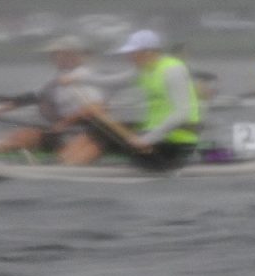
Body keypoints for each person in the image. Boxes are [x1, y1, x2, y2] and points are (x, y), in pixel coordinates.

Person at [58, 29, 201, 171]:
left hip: (175, 145)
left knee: (105, 133)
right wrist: (77, 78)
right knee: (102, 127)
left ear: (148, 52)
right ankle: (68, 164)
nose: (129, 57)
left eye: (133, 53)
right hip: (157, 138)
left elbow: (182, 113)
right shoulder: (144, 70)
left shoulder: (172, 70)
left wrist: (147, 139)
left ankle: (71, 167)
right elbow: (112, 81)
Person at [0, 35, 104, 155]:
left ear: (71, 55)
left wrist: (65, 123)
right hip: (57, 129)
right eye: (53, 54)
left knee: (24, 137)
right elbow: (32, 97)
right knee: (17, 135)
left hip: (79, 131)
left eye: (56, 54)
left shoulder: (87, 76)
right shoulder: (58, 76)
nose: (52, 58)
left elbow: (93, 108)